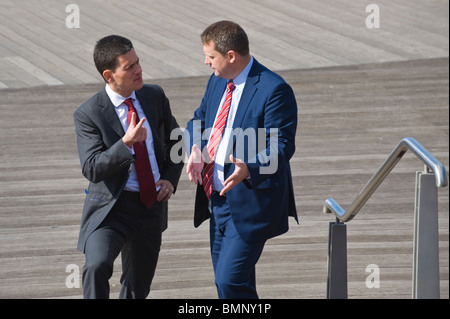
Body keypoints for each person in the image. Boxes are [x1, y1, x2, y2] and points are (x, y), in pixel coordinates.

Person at [185, 21, 298, 299]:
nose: (206, 62)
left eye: (210, 56)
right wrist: (196, 148)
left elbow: (281, 146)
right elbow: (199, 120)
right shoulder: (217, 80)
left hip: (249, 203)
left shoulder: (274, 89)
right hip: (217, 200)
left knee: (229, 282)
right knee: (233, 284)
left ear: (231, 55)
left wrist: (249, 168)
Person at [73, 35, 183, 299]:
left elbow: (177, 139)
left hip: (151, 206)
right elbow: (91, 167)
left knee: (136, 287)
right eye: (129, 67)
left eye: (138, 62)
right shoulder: (89, 113)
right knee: (97, 265)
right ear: (109, 75)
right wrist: (126, 144)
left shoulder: (153, 95)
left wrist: (169, 178)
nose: (138, 70)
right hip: (112, 209)